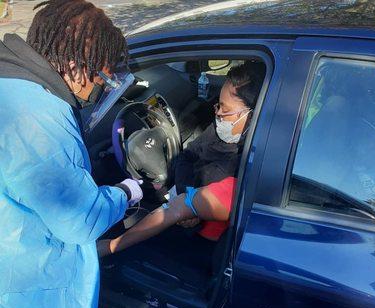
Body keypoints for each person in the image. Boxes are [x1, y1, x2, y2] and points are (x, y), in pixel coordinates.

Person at [0, 1, 142, 308]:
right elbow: (79, 219)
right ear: (77, 64)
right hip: (32, 295)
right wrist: (125, 192)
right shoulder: (39, 116)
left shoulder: (9, 87)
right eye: (101, 76)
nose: (99, 88)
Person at [98, 62, 264, 257]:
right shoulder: (221, 131)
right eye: (218, 106)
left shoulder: (242, 168)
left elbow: (178, 207)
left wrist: (112, 245)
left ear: (253, 115)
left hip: (203, 243)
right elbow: (185, 155)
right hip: (182, 202)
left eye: (225, 110)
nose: (218, 114)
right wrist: (186, 194)